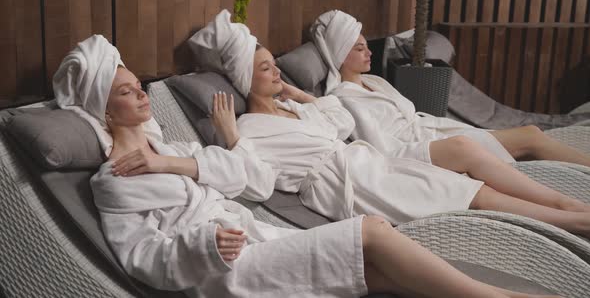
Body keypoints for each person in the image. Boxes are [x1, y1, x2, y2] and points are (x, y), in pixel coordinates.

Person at [51, 34, 561, 298]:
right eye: (126, 90)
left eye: (139, 84)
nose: (141, 93)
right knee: (372, 233)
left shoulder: (177, 151)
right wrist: (203, 245)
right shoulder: (114, 181)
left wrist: (175, 162)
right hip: (222, 270)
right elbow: (144, 258)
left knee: (381, 275)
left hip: (252, 234)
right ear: (103, 107)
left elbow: (250, 177)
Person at [189, 10, 590, 240]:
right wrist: (232, 137)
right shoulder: (252, 128)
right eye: (264, 67)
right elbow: (256, 184)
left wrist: (305, 98)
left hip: (372, 166)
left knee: (475, 188)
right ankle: (573, 219)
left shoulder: (295, 110)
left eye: (274, 62)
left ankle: (569, 210)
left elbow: (340, 122)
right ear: (245, 79)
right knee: (474, 195)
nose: (276, 70)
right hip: (354, 182)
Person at [310, 10, 590, 215]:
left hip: (433, 133)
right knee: (523, 138)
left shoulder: (374, 82)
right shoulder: (343, 98)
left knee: (530, 135)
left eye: (366, 45)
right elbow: (379, 147)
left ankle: (567, 196)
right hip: (415, 150)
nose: (368, 52)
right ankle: (564, 205)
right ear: (340, 54)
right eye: (359, 48)